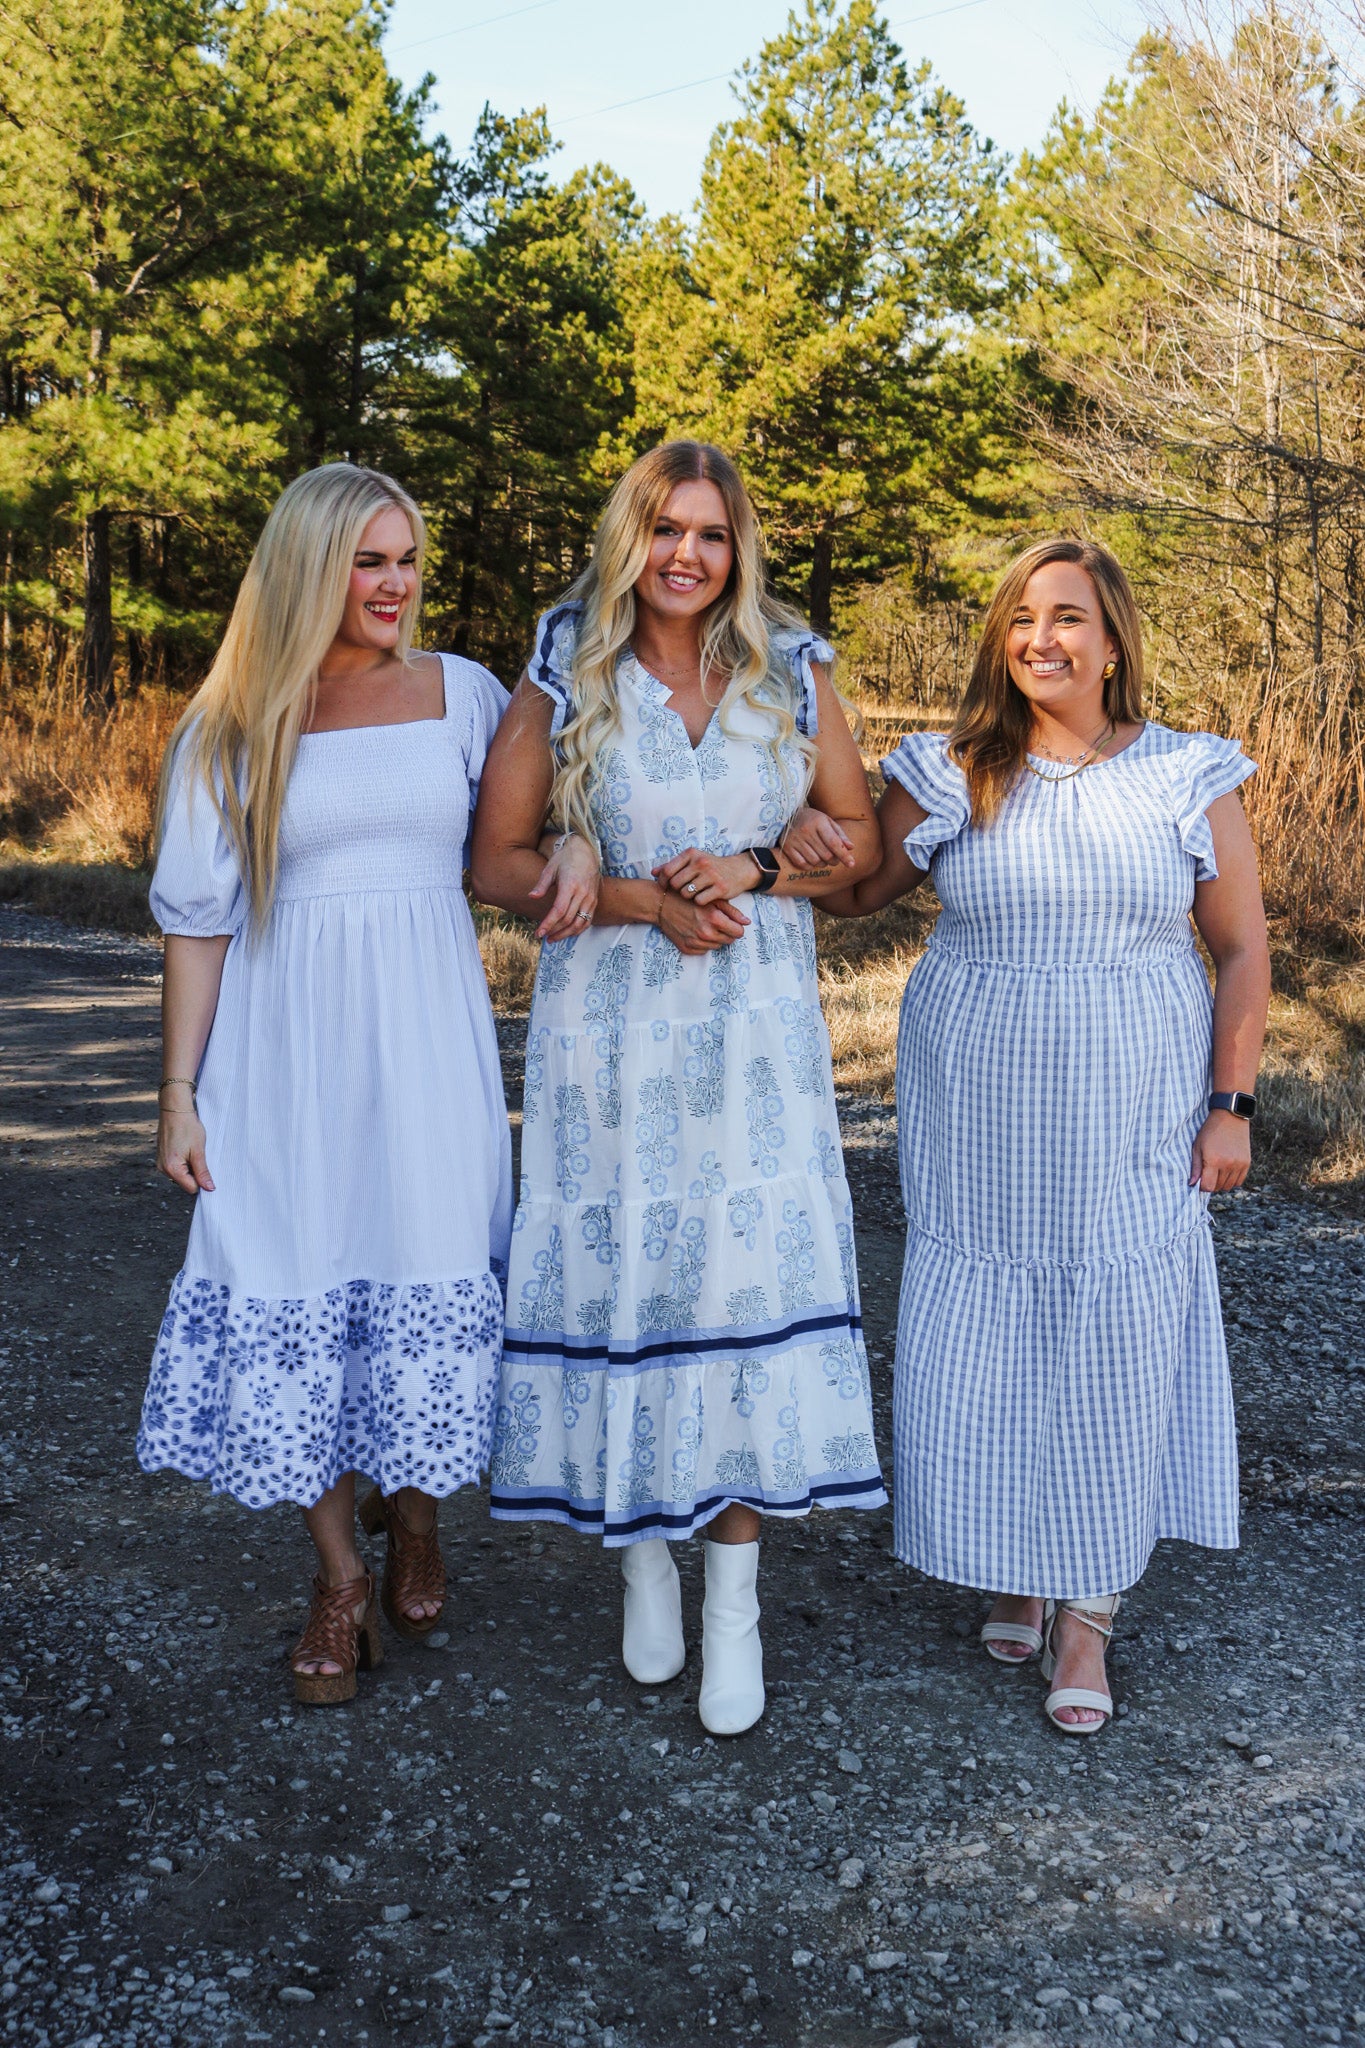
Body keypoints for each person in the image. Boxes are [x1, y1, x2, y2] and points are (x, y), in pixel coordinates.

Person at [137, 462, 595, 1705]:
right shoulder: (235, 721)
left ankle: (422, 1512)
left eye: (406, 560)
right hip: (281, 1062)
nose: (395, 584)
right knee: (291, 1280)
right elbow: (198, 922)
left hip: (428, 1053)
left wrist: (582, 841)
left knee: (419, 1270)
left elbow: (534, 825)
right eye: (368, 560)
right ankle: (339, 1576)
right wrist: (180, 1089)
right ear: (309, 566)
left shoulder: (463, 694)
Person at [471, 439, 886, 1736]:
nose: (686, 557)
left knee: (743, 1290)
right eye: (663, 531)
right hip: (612, 1039)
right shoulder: (565, 659)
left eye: (708, 534)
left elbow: (855, 845)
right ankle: (644, 1554)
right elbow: (496, 856)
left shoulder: (793, 665)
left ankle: (734, 1597)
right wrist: (643, 896)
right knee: (633, 1287)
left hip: (754, 1040)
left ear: (736, 546)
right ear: (629, 539)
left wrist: (766, 868)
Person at [823, 537, 1270, 1735]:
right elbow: (856, 884)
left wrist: (1232, 1105)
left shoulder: (1187, 771)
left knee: (1114, 1331)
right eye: (1022, 618)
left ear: (1114, 639)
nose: (1041, 639)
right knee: (996, 1331)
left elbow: (1240, 949)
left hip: (1135, 1104)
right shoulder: (958, 765)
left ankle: (1090, 1607)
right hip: (979, 1107)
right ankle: (1017, 1556)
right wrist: (764, 844)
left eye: (1068, 617)